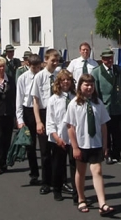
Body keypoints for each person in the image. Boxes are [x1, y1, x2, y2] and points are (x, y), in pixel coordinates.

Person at [65, 74, 114, 216]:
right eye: (86, 85)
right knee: (80, 172)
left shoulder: (98, 103)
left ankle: (102, 203)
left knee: (97, 171)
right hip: (81, 144)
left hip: (96, 144)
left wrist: (105, 145)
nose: (89, 87)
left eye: (91, 85)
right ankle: (81, 198)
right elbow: (70, 127)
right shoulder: (74, 103)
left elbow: (104, 125)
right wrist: (74, 147)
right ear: (80, 86)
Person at [31, 48, 61, 194]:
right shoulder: (39, 77)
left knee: (58, 151)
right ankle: (46, 182)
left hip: (57, 115)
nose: (55, 63)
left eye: (57, 61)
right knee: (45, 151)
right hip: (43, 114)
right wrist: (38, 121)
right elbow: (35, 101)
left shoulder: (60, 76)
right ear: (46, 60)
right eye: (52, 60)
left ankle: (58, 182)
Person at [92, 49, 121, 164]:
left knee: (118, 133)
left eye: (111, 58)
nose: (109, 60)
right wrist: (97, 106)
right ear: (102, 59)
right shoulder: (97, 72)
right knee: (106, 134)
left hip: (117, 106)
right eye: (107, 59)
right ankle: (106, 153)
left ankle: (117, 154)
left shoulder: (117, 69)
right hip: (105, 107)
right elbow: (96, 91)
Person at [46, 69, 77, 202]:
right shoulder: (53, 99)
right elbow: (50, 121)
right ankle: (57, 190)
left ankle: (77, 194)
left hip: (74, 138)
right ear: (58, 82)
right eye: (63, 80)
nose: (65, 82)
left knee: (75, 167)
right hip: (59, 137)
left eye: (68, 80)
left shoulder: (76, 98)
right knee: (58, 165)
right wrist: (56, 138)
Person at [16, 53, 43, 185]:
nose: (36, 69)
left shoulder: (43, 76)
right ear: (28, 65)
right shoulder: (23, 78)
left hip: (41, 110)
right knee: (30, 144)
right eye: (34, 67)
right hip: (28, 111)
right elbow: (19, 99)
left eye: (38, 67)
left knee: (44, 144)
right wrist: (20, 119)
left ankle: (47, 174)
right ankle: (34, 173)